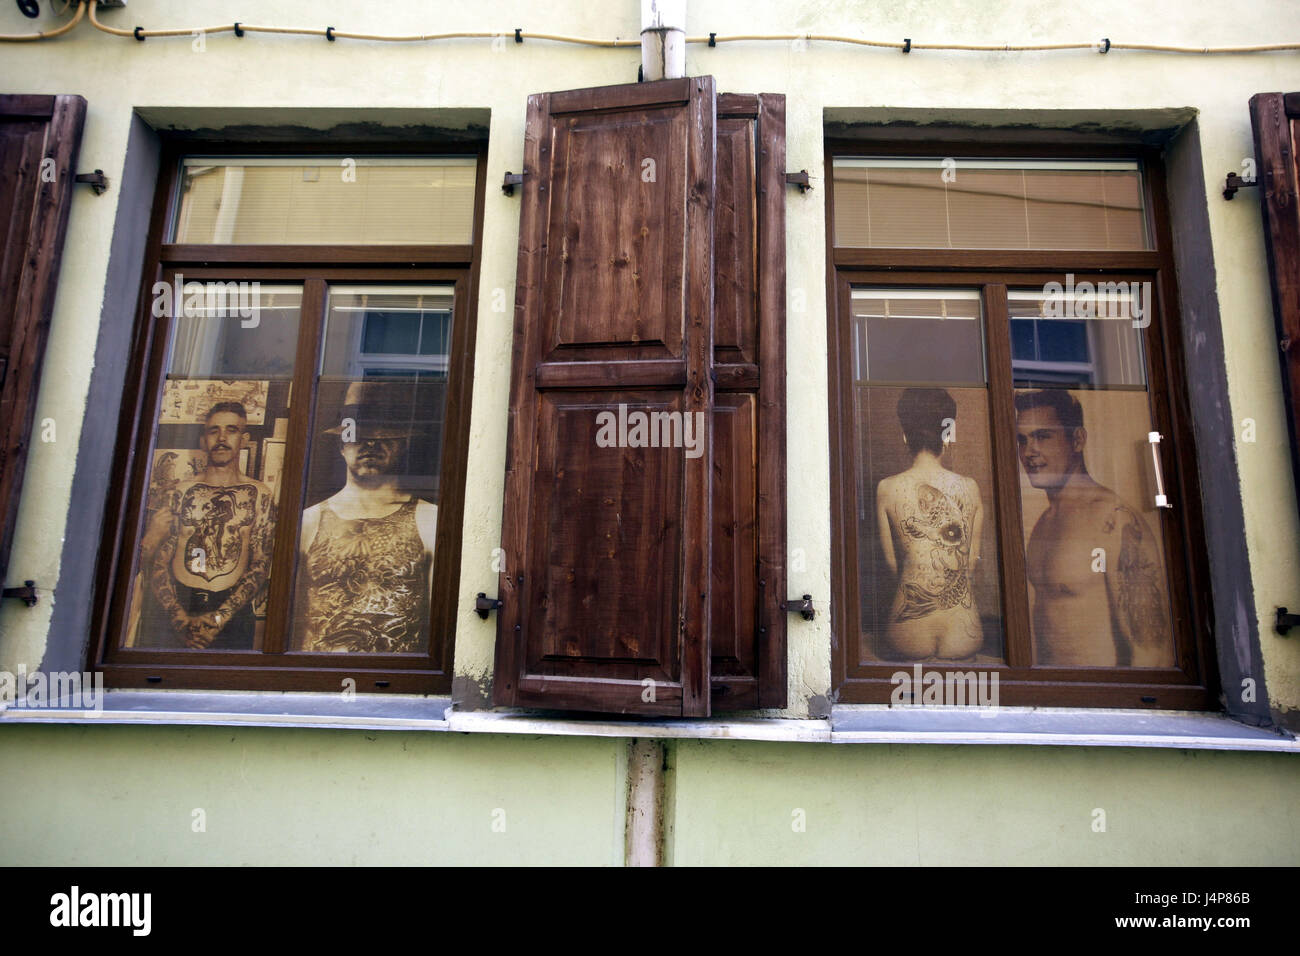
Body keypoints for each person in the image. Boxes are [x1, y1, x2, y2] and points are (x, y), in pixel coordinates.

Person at [1014, 389, 1172, 667]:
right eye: (1022, 440)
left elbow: (1152, 652)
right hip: (1050, 700)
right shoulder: (1043, 524)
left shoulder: (1114, 520)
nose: (1029, 452)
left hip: (1099, 701)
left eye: (1043, 436)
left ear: (1077, 439)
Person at [297, 381, 438, 654]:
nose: (372, 444)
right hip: (318, 676)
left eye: (386, 436)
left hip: (396, 680)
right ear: (341, 444)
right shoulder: (310, 521)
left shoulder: (429, 520)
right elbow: (290, 617)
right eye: (358, 436)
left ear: (404, 444)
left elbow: (439, 623)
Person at [139, 401, 276, 650]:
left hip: (232, 615)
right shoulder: (179, 492)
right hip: (178, 606)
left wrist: (219, 617)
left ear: (243, 439)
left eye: (231, 430)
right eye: (214, 431)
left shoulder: (260, 495)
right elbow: (159, 561)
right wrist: (178, 618)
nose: (222, 438)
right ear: (204, 441)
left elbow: (260, 564)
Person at [875, 387, 985, 660]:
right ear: (948, 433)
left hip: (908, 630)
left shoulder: (887, 488)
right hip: (963, 629)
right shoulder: (970, 488)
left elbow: (891, 565)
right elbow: (970, 564)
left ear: (904, 435)